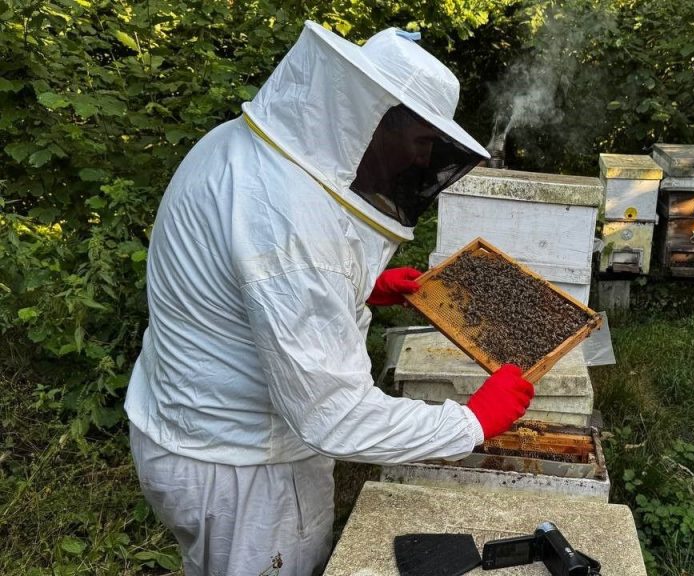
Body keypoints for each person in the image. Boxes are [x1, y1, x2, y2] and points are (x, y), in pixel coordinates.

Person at [125, 22, 535, 576]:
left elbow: (243, 286)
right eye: (421, 141)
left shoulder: (236, 146)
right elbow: (332, 416)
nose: (422, 161)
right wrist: (471, 423)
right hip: (246, 470)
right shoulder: (292, 221)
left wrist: (361, 288)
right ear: (377, 118)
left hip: (184, 430)